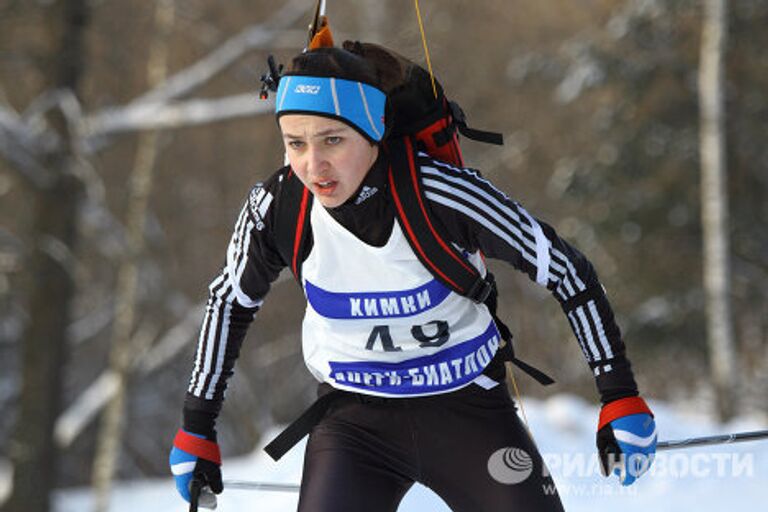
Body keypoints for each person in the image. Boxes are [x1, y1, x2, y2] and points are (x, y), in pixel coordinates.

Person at [169, 40, 658, 512]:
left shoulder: (441, 195)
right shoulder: (279, 206)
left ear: (373, 131)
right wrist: (197, 425)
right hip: (352, 428)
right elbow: (229, 302)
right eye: (295, 143)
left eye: (333, 140)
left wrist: (618, 394)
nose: (313, 165)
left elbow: (567, 270)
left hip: (469, 415)